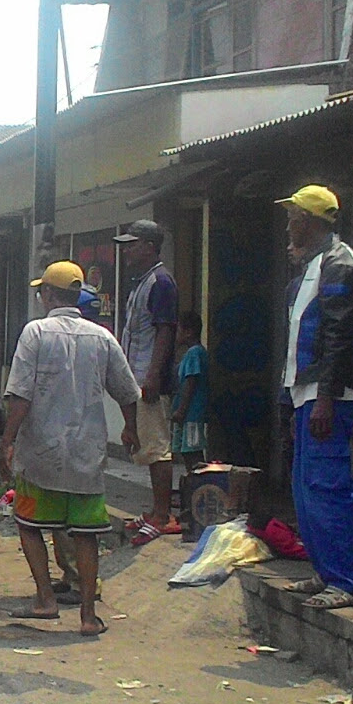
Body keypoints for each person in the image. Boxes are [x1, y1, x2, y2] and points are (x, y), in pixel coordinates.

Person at [0, 262, 140, 637]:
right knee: (86, 534)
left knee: (29, 525)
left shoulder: (36, 333)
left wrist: (7, 439)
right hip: (86, 454)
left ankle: (45, 598)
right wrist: (131, 428)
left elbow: (20, 394)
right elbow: (127, 391)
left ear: (47, 295)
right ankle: (88, 615)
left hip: (40, 453)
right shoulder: (102, 337)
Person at [272, 184, 353, 613]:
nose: (288, 226)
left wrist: (326, 399)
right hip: (308, 392)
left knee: (326, 487)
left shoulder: (340, 267)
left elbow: (338, 337)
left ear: (308, 221)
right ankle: (326, 571)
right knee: (306, 488)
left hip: (327, 394)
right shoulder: (317, 266)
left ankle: (346, 580)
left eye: (293, 218)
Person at [114, 219, 180, 545]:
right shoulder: (141, 282)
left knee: (156, 449)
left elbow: (165, 330)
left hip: (149, 378)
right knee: (146, 446)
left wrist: (153, 376)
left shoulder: (161, 282)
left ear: (150, 246)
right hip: (137, 375)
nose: (127, 250)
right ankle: (155, 510)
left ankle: (163, 515)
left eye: (133, 243)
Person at [170, 311, 209, 475]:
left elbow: (191, 382)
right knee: (186, 450)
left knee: (193, 451)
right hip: (187, 414)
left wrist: (182, 410)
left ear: (188, 332)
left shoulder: (194, 353)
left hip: (191, 414)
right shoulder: (190, 354)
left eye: (178, 331)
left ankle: (200, 483)